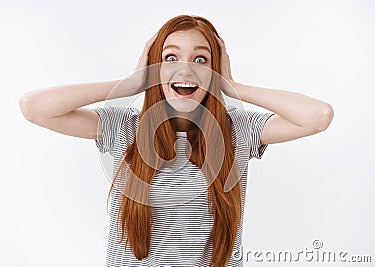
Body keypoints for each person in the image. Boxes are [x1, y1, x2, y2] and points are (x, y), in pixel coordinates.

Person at [19, 14, 334, 267]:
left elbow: (318, 116)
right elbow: (34, 107)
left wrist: (233, 86)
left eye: (201, 60)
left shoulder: (237, 130)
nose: (185, 68)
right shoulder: (122, 128)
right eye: (170, 58)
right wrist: (129, 84)